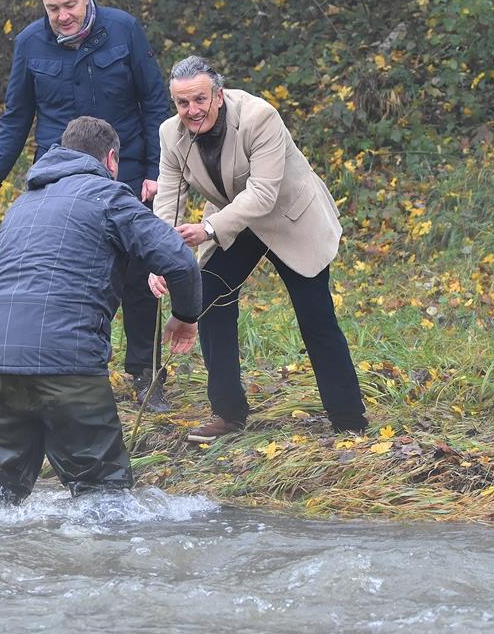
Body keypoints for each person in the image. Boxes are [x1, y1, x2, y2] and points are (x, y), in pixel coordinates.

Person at [0, 0, 175, 412]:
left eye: (70, 5)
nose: (63, 16)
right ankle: (67, 374)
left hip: (128, 172)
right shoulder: (29, 44)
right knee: (70, 278)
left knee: (139, 278)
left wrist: (157, 169)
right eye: (53, 8)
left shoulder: (124, 30)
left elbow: (155, 103)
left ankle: (146, 375)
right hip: (59, 179)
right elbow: (16, 119)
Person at [0, 116, 201, 505]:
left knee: (0, 488)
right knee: (103, 491)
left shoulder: (21, 204)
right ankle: (101, 564)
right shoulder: (108, 196)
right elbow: (179, 260)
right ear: (111, 160)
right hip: (66, 361)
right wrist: (185, 318)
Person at [149, 56, 368, 443]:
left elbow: (264, 194)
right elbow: (168, 199)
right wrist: (161, 258)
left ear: (218, 95)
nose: (192, 110)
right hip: (235, 221)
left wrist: (207, 229)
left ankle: (349, 420)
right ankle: (228, 414)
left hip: (289, 217)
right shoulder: (171, 134)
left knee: (315, 317)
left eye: (199, 99)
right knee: (210, 300)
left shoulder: (259, 116)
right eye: (183, 103)